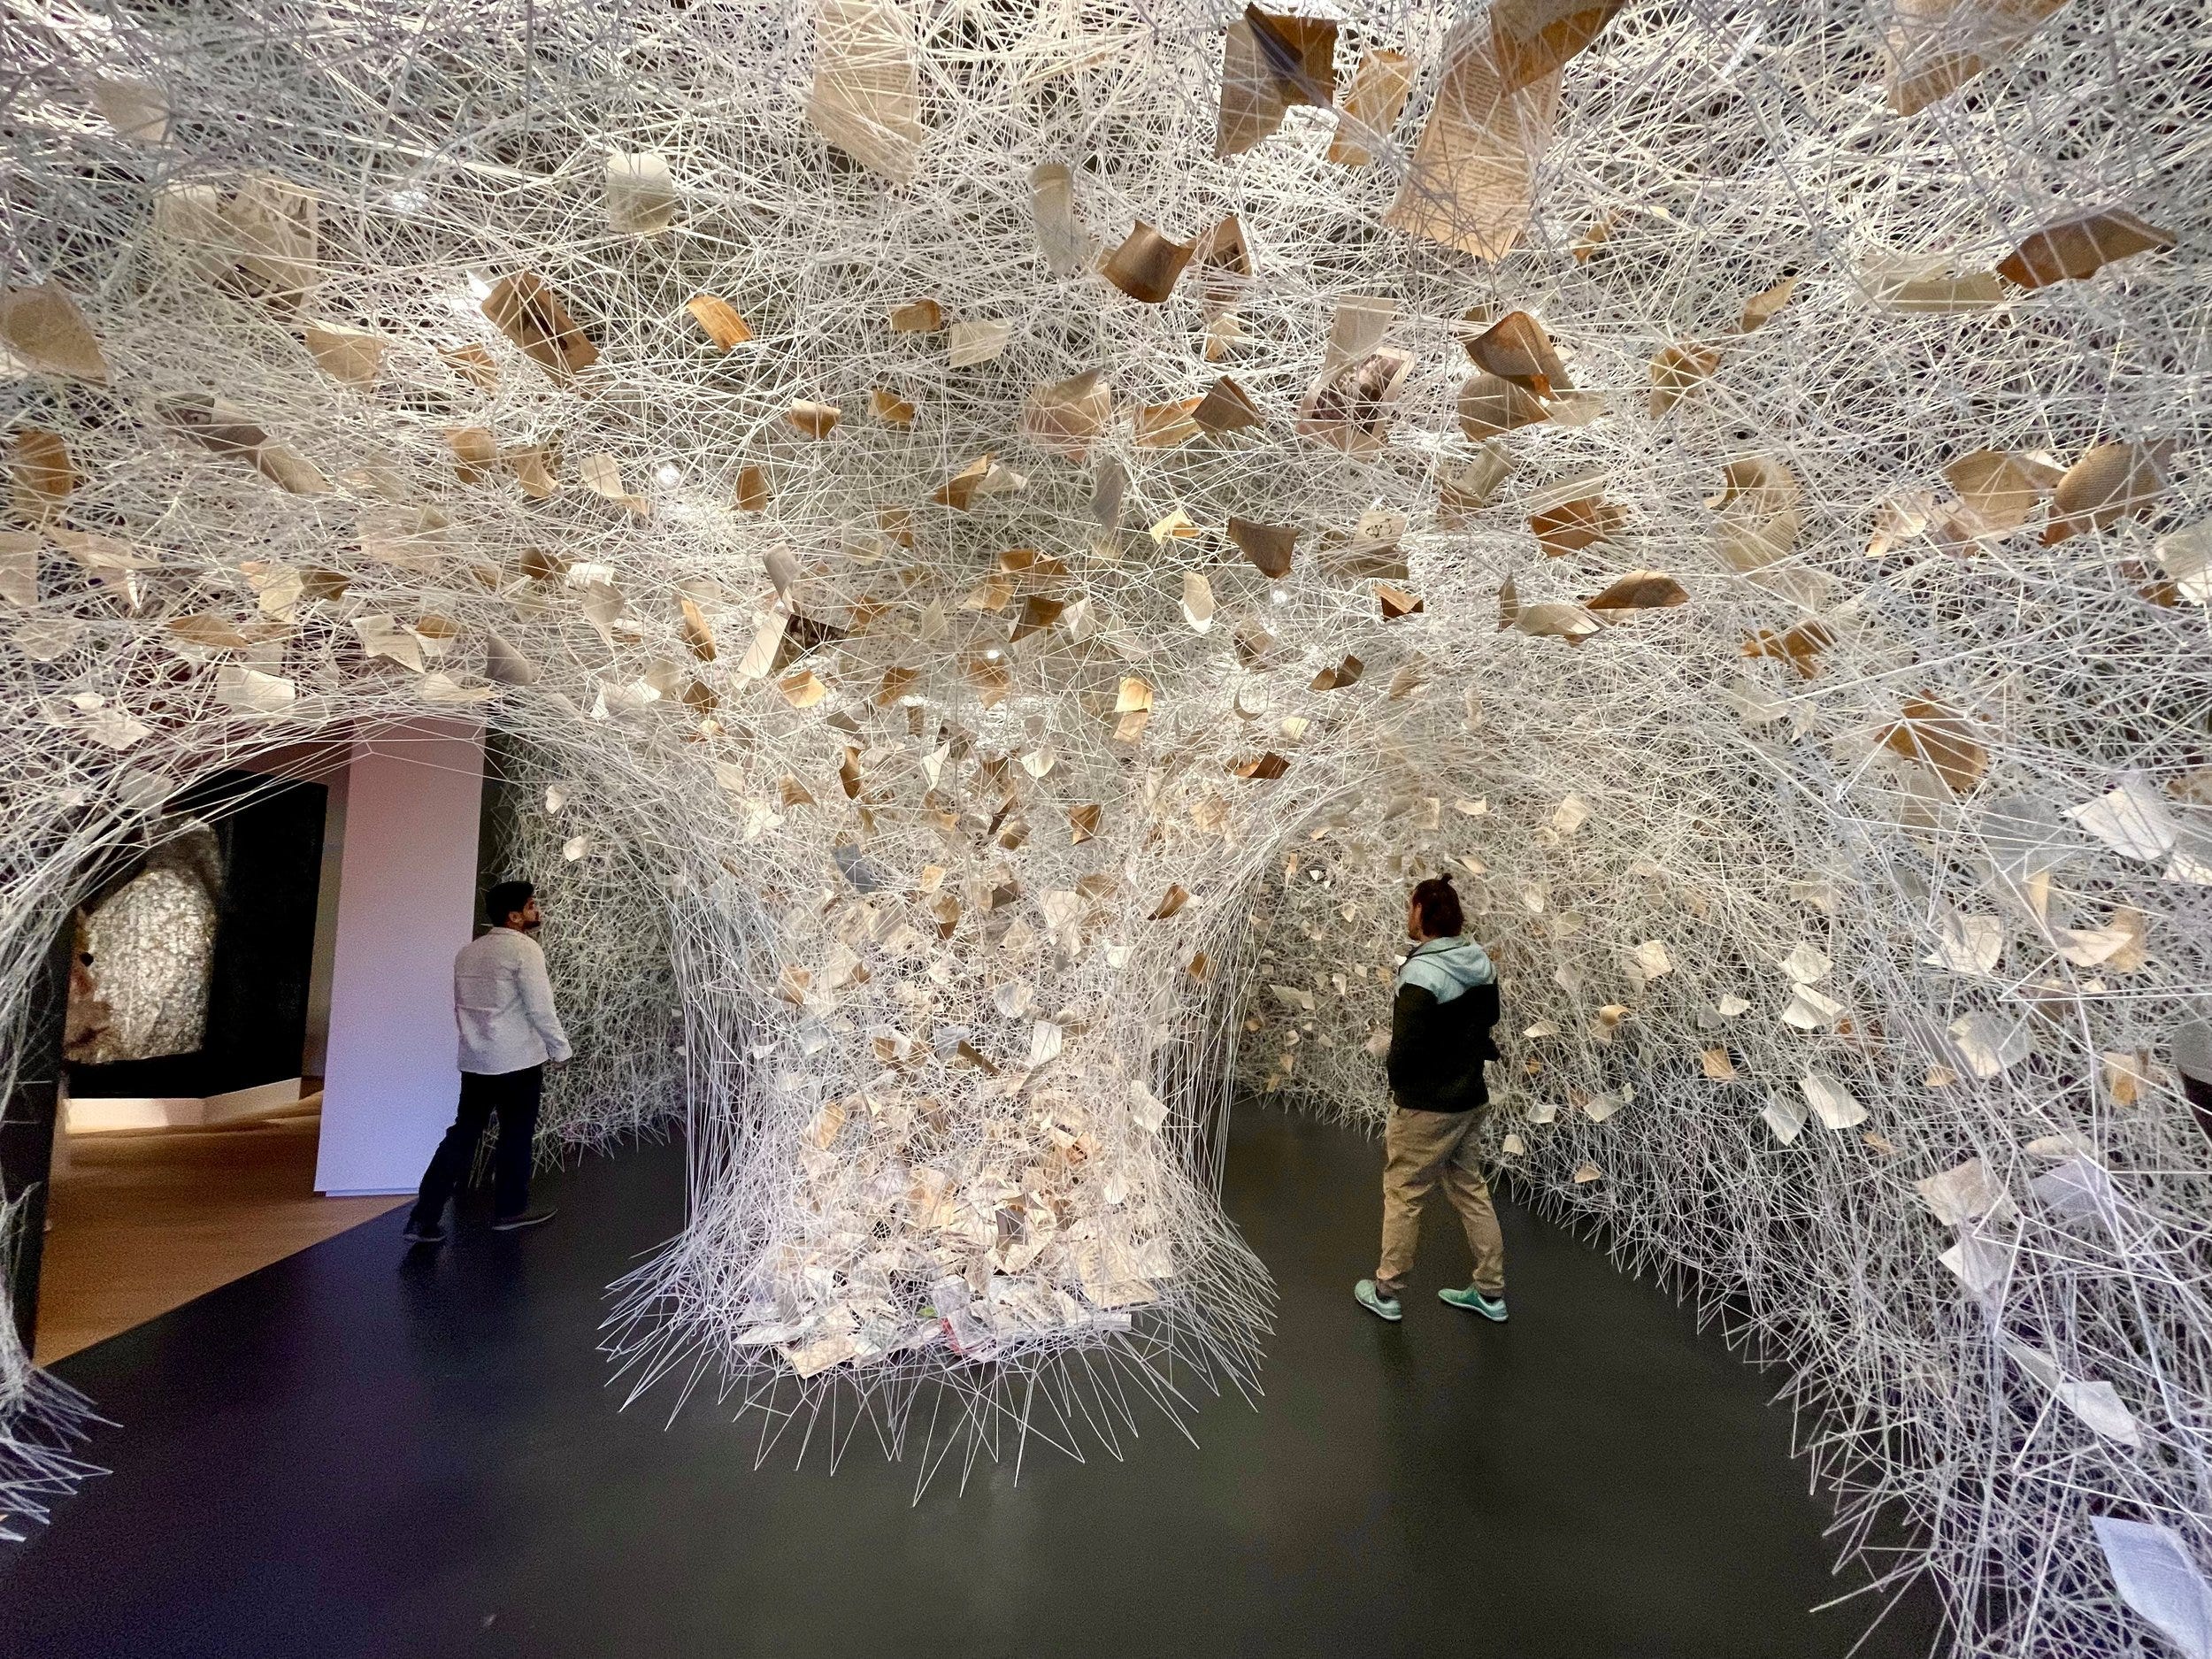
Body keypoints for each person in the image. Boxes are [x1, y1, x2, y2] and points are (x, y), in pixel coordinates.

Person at [1355, 872, 1508, 1324]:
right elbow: (1490, 1017)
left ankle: (1386, 1291)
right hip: (1469, 1096)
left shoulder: (1422, 974)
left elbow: (1405, 1047)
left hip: (1427, 1104)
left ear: (1422, 913)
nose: (1408, 914)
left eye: (1411, 906)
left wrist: (1401, 1086)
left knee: (1404, 1193)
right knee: (1470, 1189)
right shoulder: (1478, 961)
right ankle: (1491, 1293)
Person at [402, 880, 571, 1243]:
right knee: (516, 1136)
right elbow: (541, 1008)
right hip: (517, 1061)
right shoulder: (525, 950)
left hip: (477, 1061)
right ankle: (510, 1211)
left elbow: (463, 1006)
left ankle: (422, 1217)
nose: (537, 911)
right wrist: (560, 1050)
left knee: (463, 1135)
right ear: (514, 916)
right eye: (530, 906)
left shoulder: (468, 952)